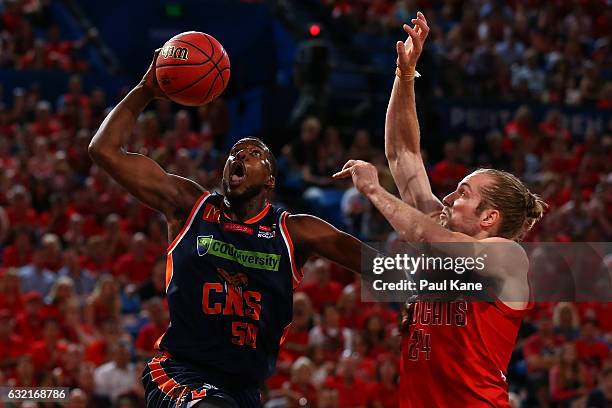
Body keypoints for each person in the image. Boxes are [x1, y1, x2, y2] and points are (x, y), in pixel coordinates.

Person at [88, 50, 367, 408]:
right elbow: (103, 150)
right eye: (235, 152)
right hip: (180, 372)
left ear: (269, 179)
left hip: (244, 390)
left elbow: (376, 263)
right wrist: (145, 89)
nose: (239, 156)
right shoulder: (191, 205)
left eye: (253, 154)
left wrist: (437, 286)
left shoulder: (295, 232)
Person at [333, 12, 546, 408]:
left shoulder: (506, 258)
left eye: (463, 193)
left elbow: (421, 234)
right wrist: (405, 74)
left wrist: (375, 191)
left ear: (489, 218)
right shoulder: (442, 231)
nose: (448, 198)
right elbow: (403, 153)